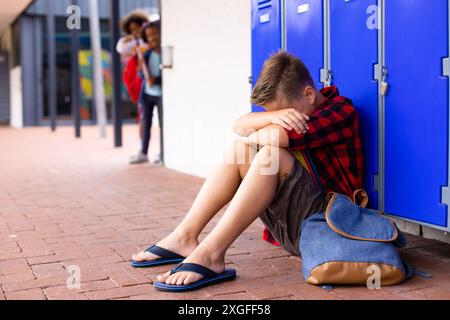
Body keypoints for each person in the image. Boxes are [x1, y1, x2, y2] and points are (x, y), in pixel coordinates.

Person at [130, 51, 363, 292]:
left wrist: (261, 125)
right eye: (275, 115)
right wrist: (273, 117)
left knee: (270, 155)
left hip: (329, 227)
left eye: (288, 114)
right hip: (291, 228)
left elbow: (264, 134)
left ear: (309, 94)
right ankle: (185, 237)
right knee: (240, 149)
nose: (283, 120)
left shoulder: (341, 113)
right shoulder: (293, 108)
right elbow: (238, 126)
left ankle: (211, 253)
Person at [129, 21, 163, 165]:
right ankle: (143, 152)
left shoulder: (164, 54)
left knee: (163, 124)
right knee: (146, 123)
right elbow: (141, 73)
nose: (153, 38)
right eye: (149, 36)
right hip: (147, 94)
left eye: (155, 34)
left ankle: (163, 153)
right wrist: (143, 73)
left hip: (160, 95)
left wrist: (156, 80)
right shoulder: (147, 54)